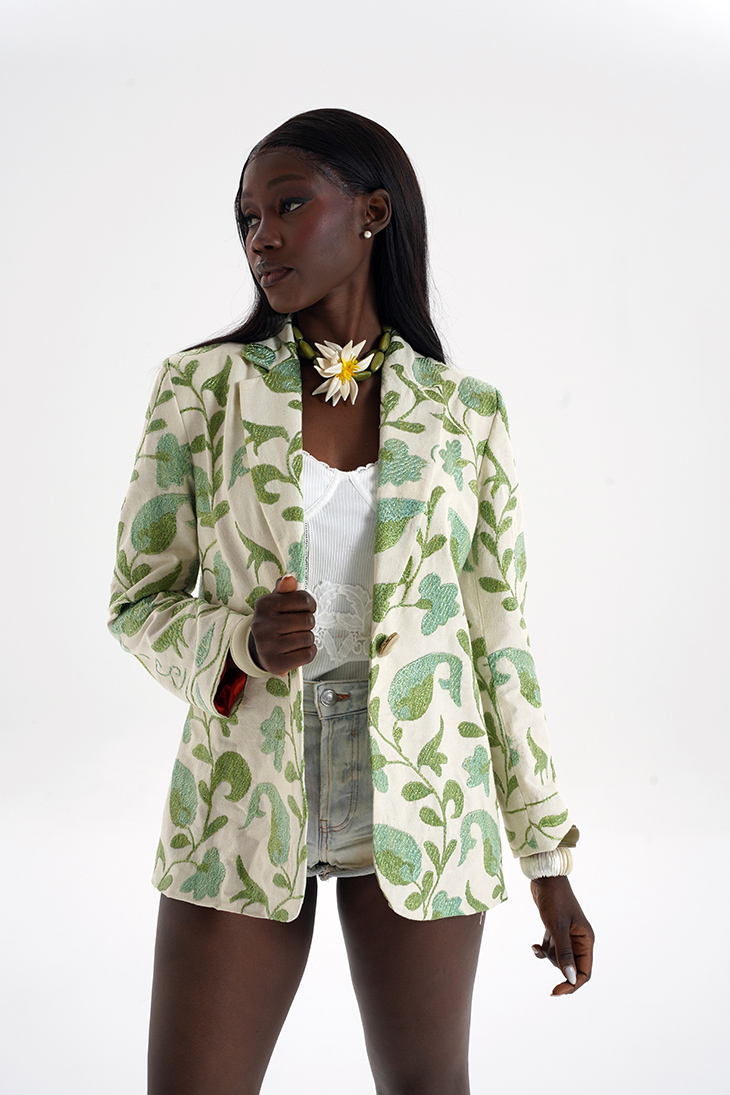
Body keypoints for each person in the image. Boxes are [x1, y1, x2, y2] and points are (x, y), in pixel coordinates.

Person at [109, 107, 594, 1095]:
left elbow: (499, 645)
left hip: (427, 785)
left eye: (288, 205)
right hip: (242, 790)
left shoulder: (465, 414)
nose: (261, 237)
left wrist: (547, 860)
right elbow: (137, 600)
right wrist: (237, 641)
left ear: (373, 213)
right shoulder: (200, 391)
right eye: (247, 217)